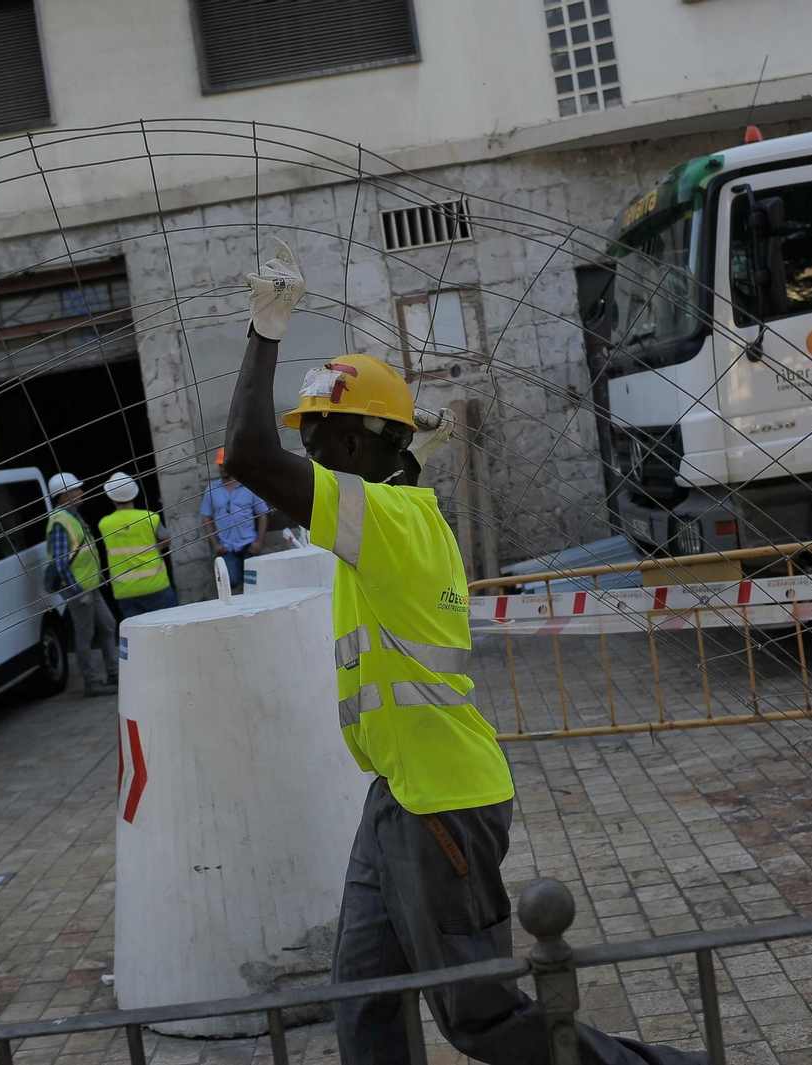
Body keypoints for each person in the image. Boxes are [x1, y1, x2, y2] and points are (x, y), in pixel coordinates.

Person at [223, 240, 701, 1065]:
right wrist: (406, 452)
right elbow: (340, 474)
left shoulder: (390, 520)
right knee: (366, 999)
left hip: (441, 802)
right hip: (402, 795)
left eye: (326, 438)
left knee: (479, 1017)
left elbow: (251, 456)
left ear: (370, 443)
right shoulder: (399, 510)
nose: (314, 457)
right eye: (313, 440)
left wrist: (266, 333)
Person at [45, 474, 118, 696]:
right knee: (85, 635)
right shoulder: (60, 521)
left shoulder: (72, 515)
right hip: (78, 589)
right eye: (76, 490)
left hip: (90, 585)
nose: (81, 492)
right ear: (64, 495)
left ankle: (114, 674)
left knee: (107, 625)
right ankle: (91, 683)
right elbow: (60, 562)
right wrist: (78, 593)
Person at [97, 473, 178, 619]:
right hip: (156, 585)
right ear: (135, 494)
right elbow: (166, 540)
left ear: (111, 497)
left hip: (125, 591)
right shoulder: (150, 517)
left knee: (137, 636)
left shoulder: (104, 524)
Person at [201, 447, 270, 594]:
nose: (222, 468)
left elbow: (263, 514)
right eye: (220, 465)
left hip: (248, 545)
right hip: (226, 548)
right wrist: (215, 543)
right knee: (231, 582)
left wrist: (259, 542)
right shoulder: (211, 490)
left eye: (224, 464)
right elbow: (206, 517)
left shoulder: (249, 487)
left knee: (254, 583)